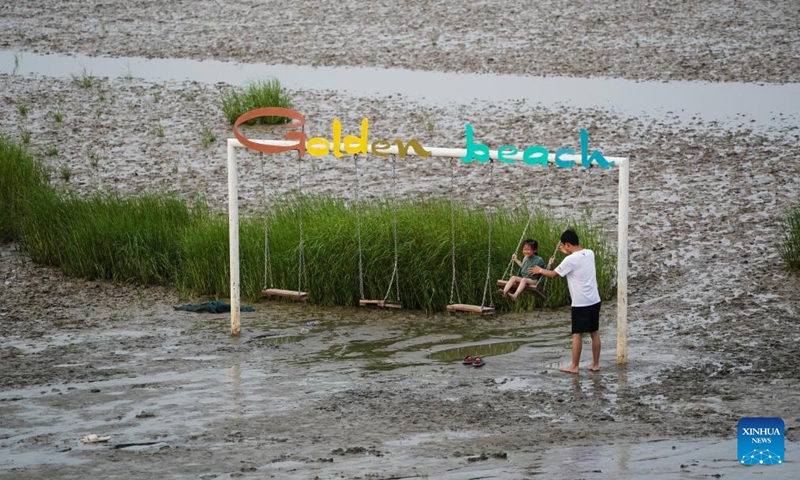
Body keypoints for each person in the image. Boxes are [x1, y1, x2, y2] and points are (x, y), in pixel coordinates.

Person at [529, 229, 601, 373]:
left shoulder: (570, 260)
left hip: (581, 303)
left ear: (567, 244)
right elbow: (574, 259)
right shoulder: (589, 253)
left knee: (577, 334)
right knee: (594, 332)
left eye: (564, 245)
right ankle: (595, 364)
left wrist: (540, 271)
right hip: (594, 299)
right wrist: (567, 252)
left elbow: (554, 274)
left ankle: (574, 366)